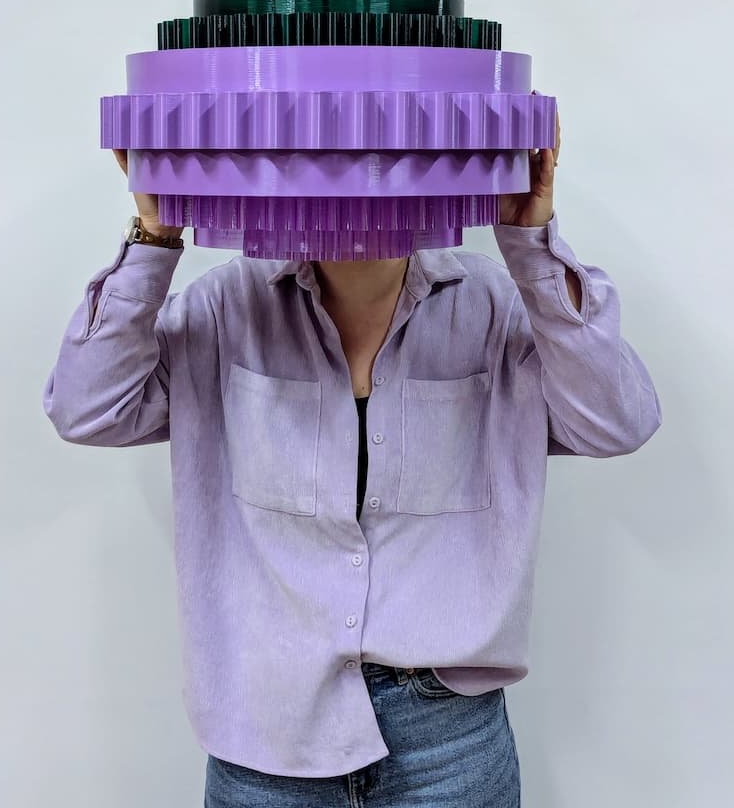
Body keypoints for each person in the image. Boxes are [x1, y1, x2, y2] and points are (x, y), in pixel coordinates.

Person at [43, 110, 662, 807]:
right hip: (266, 739)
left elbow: (618, 422)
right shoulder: (226, 308)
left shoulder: (495, 308)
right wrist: (154, 236)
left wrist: (531, 246)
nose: (354, 172)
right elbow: (86, 408)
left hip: (448, 741)